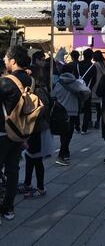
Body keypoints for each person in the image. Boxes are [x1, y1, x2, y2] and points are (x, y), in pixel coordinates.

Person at [0, 45, 32, 220]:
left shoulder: (6, 82)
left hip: (3, 132)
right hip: (20, 132)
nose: (4, 61)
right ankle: (9, 209)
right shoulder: (30, 80)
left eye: (6, 58)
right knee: (13, 170)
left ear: (13, 60)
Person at [18, 51, 54, 198]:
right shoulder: (37, 90)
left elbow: (42, 110)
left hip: (37, 129)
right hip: (33, 129)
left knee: (36, 159)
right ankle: (27, 183)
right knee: (30, 157)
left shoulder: (39, 91)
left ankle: (40, 188)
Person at [51, 64, 91, 166]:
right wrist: (81, 98)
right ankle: (61, 155)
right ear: (72, 72)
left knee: (63, 134)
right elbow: (87, 91)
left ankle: (65, 152)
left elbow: (53, 95)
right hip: (72, 112)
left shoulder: (58, 83)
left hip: (60, 112)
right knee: (68, 134)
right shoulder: (76, 83)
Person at [76, 48, 97, 134]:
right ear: (91, 56)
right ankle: (84, 128)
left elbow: (75, 76)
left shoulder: (78, 65)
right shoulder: (93, 66)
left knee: (76, 107)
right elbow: (94, 79)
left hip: (77, 88)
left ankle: (77, 126)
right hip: (87, 89)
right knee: (87, 109)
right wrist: (90, 87)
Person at [91, 50, 105, 129]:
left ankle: (95, 122)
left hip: (96, 85)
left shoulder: (95, 65)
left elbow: (93, 77)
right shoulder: (104, 64)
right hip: (103, 86)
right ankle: (99, 120)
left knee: (95, 105)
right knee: (100, 106)